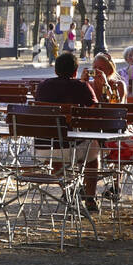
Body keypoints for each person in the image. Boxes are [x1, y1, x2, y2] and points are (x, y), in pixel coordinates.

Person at [34, 52, 100, 212]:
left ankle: (69, 191)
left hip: (43, 148)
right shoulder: (81, 86)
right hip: (72, 146)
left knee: (57, 151)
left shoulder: (43, 87)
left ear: (56, 71)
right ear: (75, 71)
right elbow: (95, 111)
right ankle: (90, 198)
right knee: (93, 153)